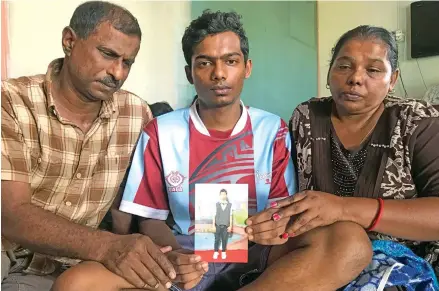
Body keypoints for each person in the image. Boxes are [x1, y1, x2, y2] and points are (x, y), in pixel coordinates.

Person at [52, 10, 372, 291]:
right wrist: (174, 258)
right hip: (187, 257)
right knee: (75, 283)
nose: (219, 74)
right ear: (190, 72)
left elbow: (281, 210)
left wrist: (272, 222)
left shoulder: (271, 129)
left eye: (230, 61)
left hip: (258, 255)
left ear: (246, 67)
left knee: (351, 242)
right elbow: (149, 220)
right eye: (205, 63)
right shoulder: (161, 132)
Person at [1, 2, 178, 291]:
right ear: (69, 41)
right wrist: (109, 247)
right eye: (107, 54)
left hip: (79, 264)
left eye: (127, 62)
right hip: (7, 253)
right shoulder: (11, 101)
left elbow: (136, 203)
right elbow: (11, 213)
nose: (117, 73)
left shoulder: (135, 114)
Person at [283, 25, 439, 290]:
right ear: (330, 72)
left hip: (402, 262)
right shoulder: (306, 117)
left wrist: (343, 208)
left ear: (393, 79)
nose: (355, 78)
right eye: (344, 66)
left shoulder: (418, 121)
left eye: (374, 70)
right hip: (320, 252)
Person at [212, 189, 233, 260]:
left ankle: (223, 252)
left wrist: (230, 226)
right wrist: (213, 225)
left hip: (226, 226)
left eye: (224, 194)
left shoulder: (230, 205)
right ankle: (215, 252)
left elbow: (230, 216)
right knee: (217, 239)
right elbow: (214, 215)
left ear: (226, 195)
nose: (223, 195)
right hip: (217, 225)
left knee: (224, 239)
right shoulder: (216, 204)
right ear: (219, 195)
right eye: (222, 194)